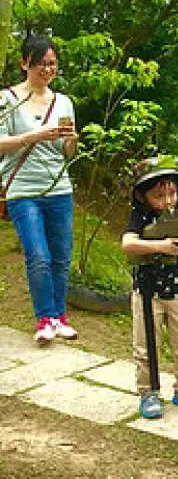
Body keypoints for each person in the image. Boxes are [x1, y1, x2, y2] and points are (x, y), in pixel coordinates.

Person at [0, 35, 79, 343]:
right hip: (22, 189)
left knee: (61, 256)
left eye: (52, 64)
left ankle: (60, 318)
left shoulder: (64, 102)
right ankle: (44, 318)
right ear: (25, 64)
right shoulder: (7, 99)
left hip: (59, 187)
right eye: (41, 64)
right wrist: (35, 135)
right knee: (38, 255)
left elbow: (67, 152)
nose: (47, 70)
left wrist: (70, 138)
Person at [121, 156, 178, 419]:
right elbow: (128, 244)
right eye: (159, 195)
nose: (168, 201)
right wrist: (159, 246)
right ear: (143, 196)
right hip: (148, 292)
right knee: (146, 345)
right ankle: (148, 392)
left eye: (172, 193)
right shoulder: (140, 216)